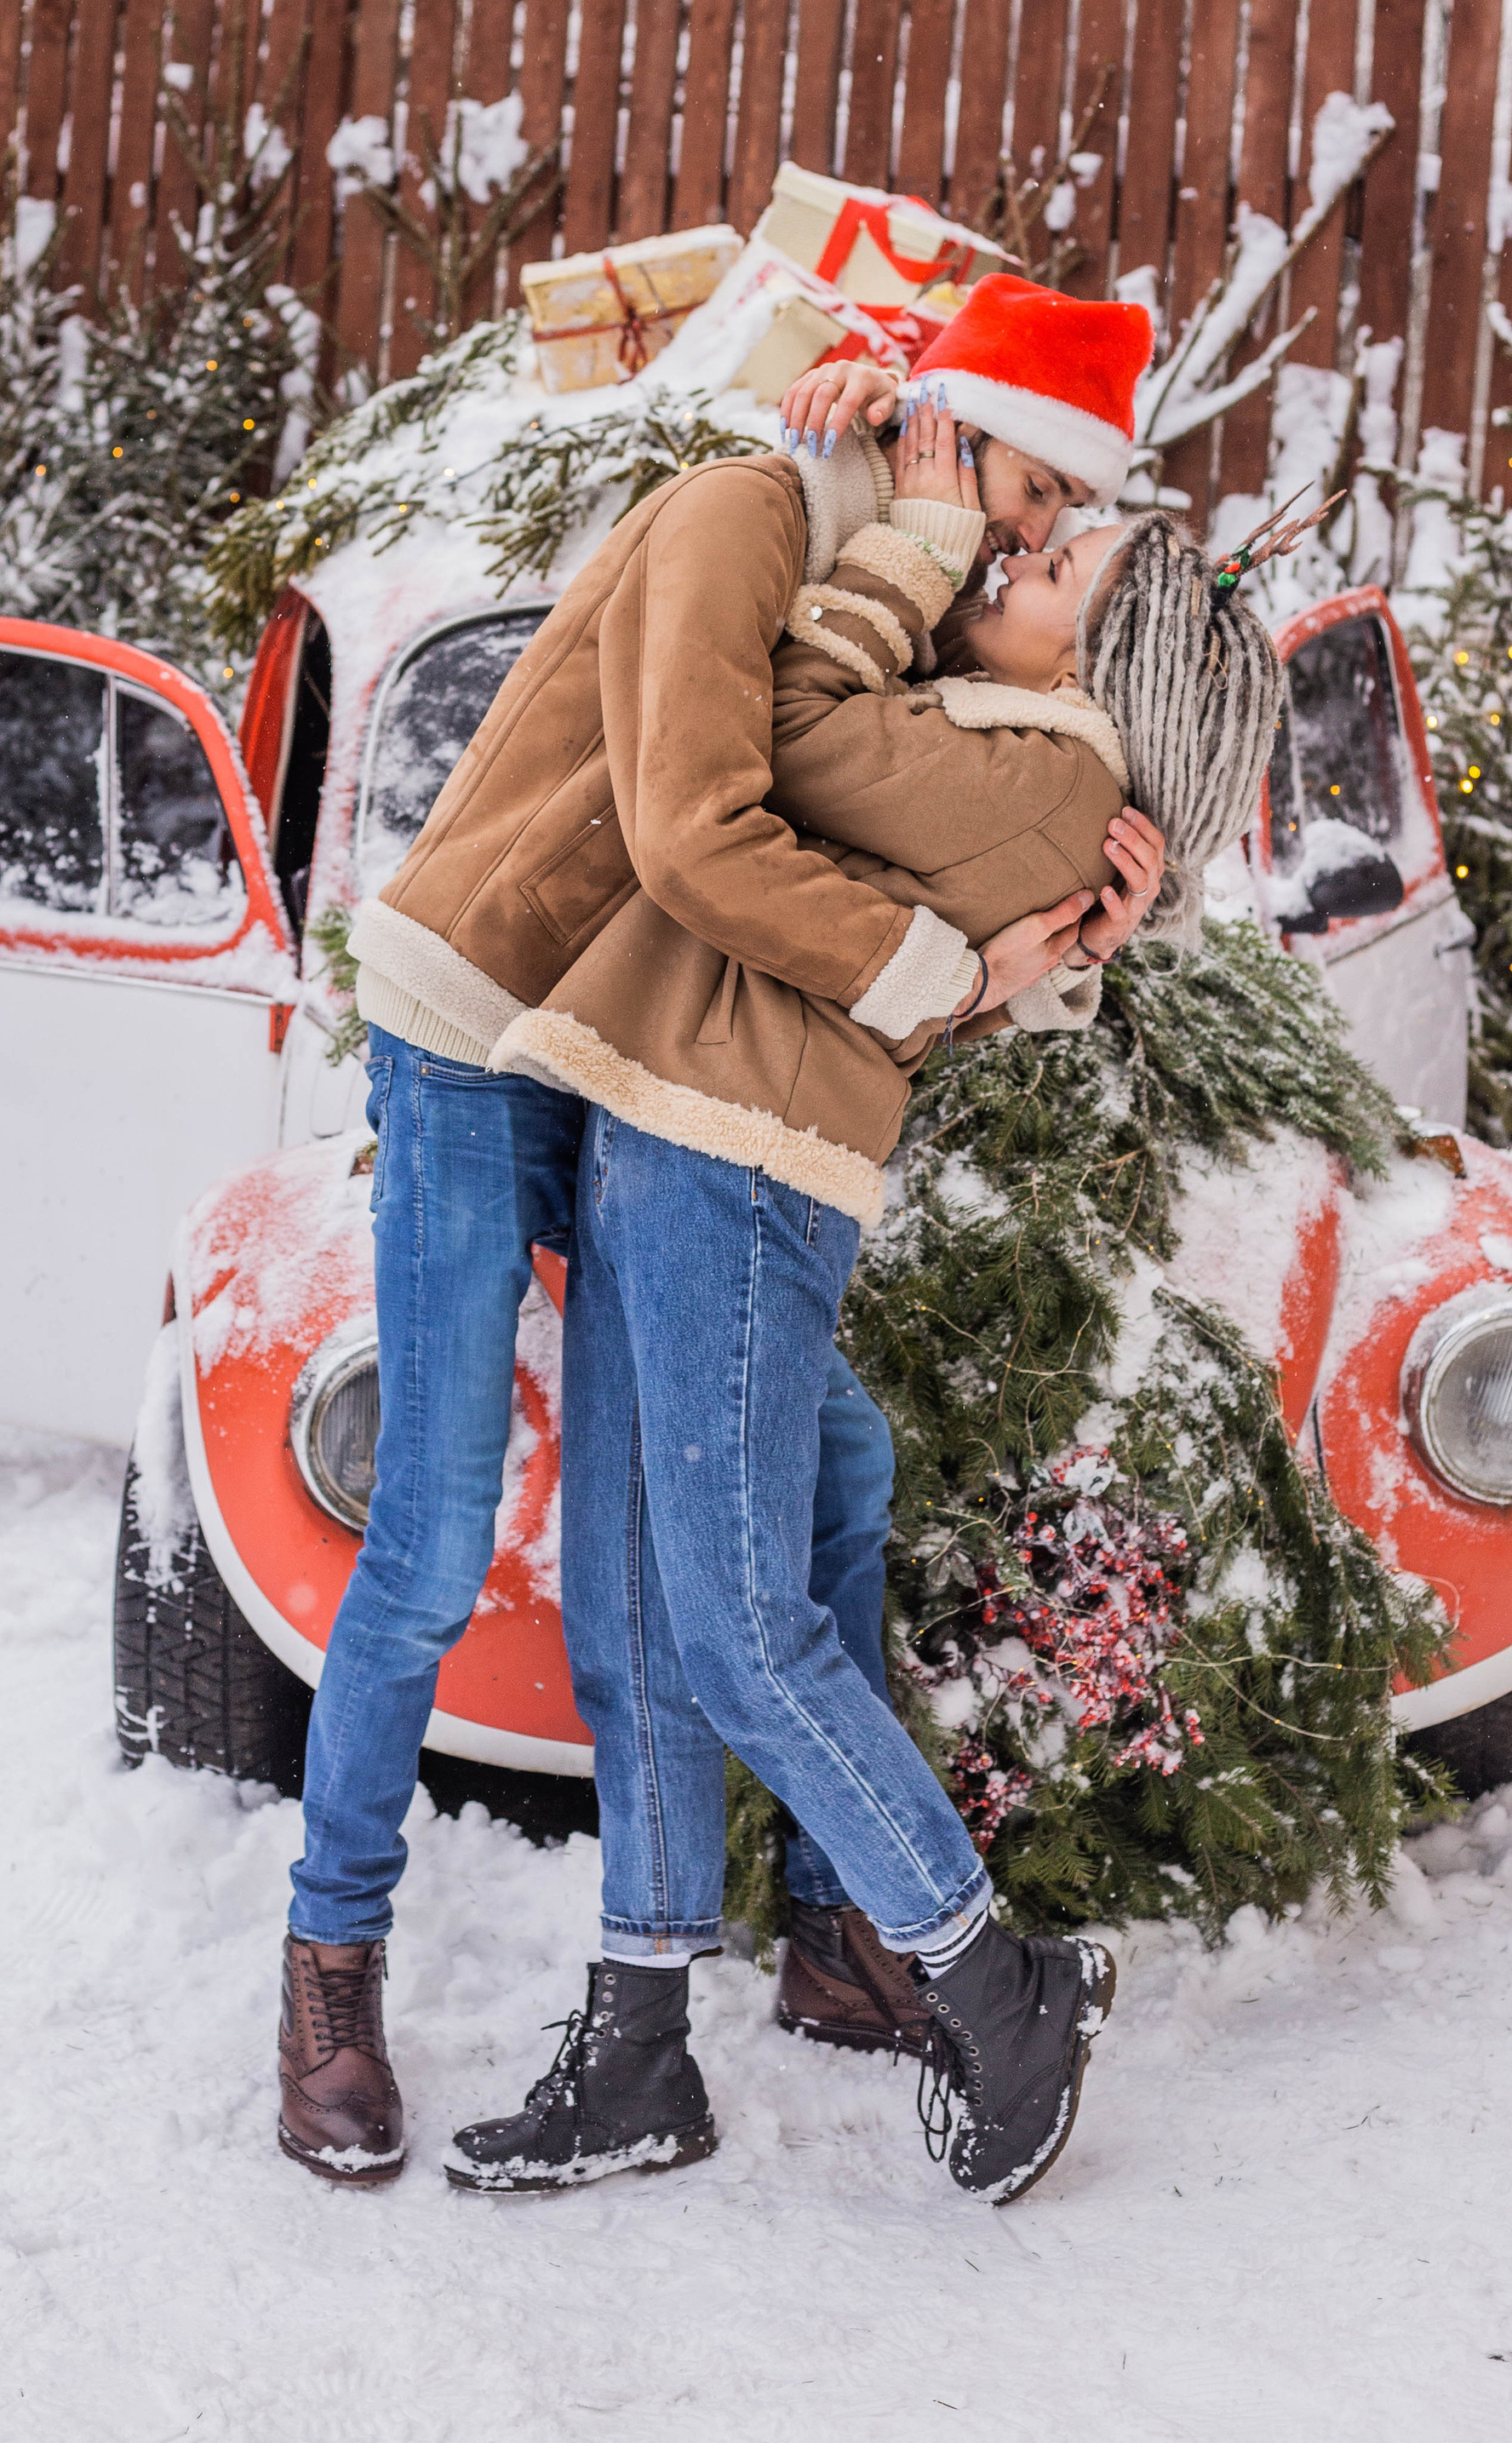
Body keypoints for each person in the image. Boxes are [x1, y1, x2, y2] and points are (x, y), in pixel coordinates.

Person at [274, 279, 1166, 2185]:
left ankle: (734, 1981)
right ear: (944, 439)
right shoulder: (744, 516)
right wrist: (950, 968)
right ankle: (328, 1959)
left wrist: (1071, 935)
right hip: (474, 1023)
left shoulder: (909, 610)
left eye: (1042, 529)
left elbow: (932, 821)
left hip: (631, 1063)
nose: (1021, 543)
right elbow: (699, 835)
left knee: (737, 1520)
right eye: (1018, 497)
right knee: (428, 1538)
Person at [447, 472, 1290, 2204]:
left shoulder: (1044, 774)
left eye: (1057, 569)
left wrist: (893, 530)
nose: (1015, 554)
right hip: (664, 1131)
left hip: (736, 1171)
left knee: (740, 1625)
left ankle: (997, 1981)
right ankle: (636, 2045)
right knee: (629, 1608)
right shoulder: (999, 746)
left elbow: (769, 727)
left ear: (1101, 667)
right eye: (1040, 534)